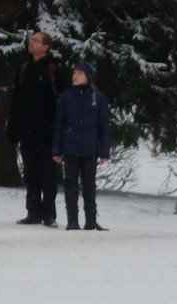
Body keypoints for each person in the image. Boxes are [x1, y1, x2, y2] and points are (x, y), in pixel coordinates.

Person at [8, 31, 66, 226]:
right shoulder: (24, 68)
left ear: (46, 46)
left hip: (48, 132)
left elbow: (61, 101)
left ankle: (49, 214)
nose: (31, 43)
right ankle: (32, 212)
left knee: (48, 173)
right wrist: (13, 127)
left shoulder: (54, 69)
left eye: (36, 40)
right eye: (31, 40)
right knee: (30, 172)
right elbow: (16, 100)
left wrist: (59, 129)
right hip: (27, 131)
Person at [52, 61, 111, 231]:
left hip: (90, 148)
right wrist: (57, 149)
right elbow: (59, 124)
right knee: (70, 185)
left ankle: (91, 220)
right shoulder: (65, 97)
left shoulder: (97, 98)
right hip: (70, 148)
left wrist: (104, 151)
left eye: (80, 73)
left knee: (89, 185)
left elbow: (104, 126)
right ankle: (72, 220)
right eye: (74, 73)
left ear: (88, 76)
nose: (75, 76)